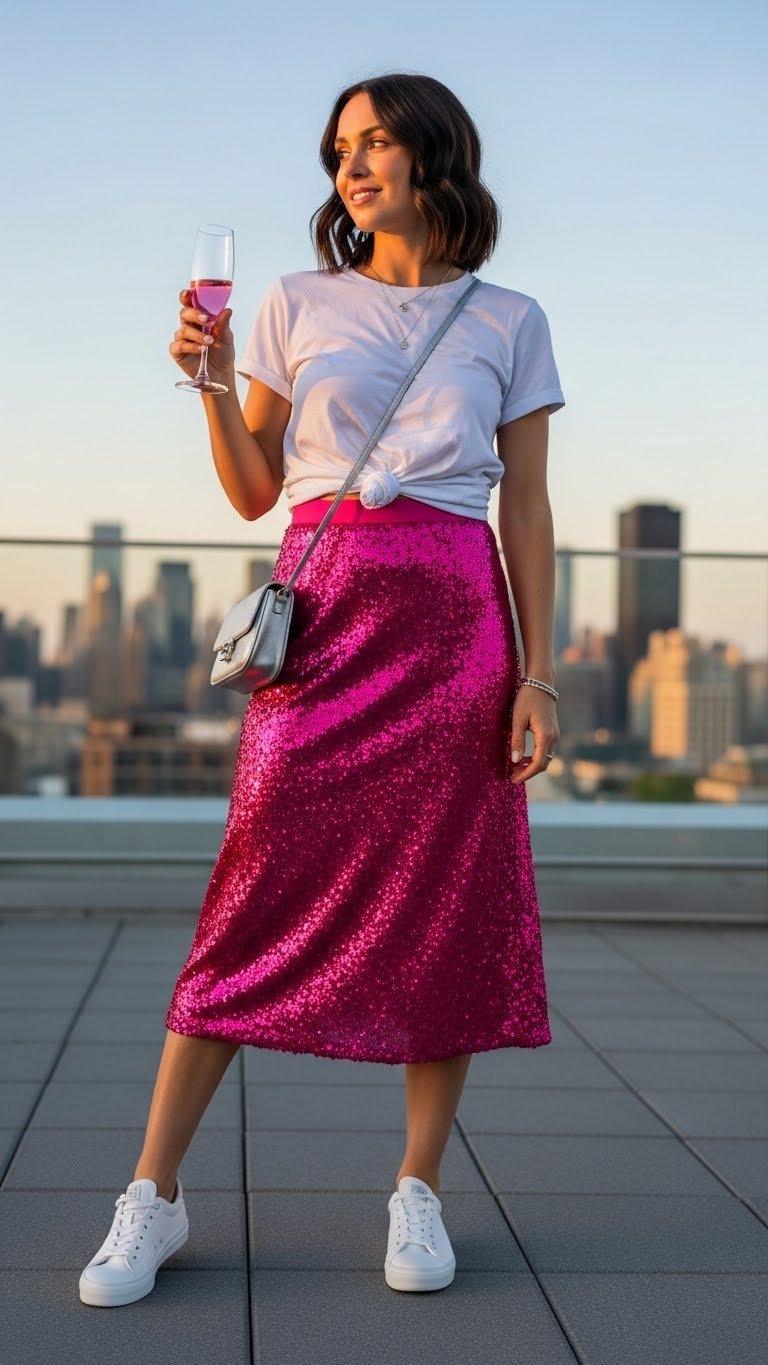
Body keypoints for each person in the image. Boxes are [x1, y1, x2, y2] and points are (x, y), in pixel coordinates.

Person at [79, 70, 565, 1308]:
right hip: (327, 617)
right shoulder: (294, 302)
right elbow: (253, 491)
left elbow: (529, 510)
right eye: (340, 147)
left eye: (378, 142)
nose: (352, 166)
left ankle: (419, 1190)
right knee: (249, 893)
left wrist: (539, 675)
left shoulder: (510, 318)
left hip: (457, 633)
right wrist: (204, 380)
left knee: (452, 901)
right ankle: (155, 1195)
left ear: (435, 159)